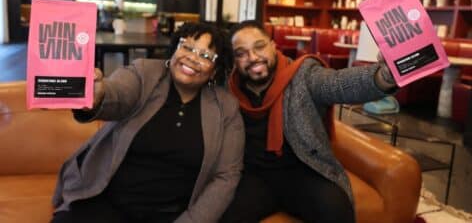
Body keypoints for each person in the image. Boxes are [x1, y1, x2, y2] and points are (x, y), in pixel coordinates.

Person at [51, 22, 245, 223]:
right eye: (187, 47)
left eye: (206, 56)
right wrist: (99, 95)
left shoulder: (226, 108)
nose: (193, 58)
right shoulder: (145, 73)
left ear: (215, 70)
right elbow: (119, 92)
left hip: (170, 215)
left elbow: (226, 176)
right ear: (175, 49)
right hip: (106, 201)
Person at [221, 20, 397, 223]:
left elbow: (338, 84)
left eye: (259, 47)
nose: (252, 58)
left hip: (302, 170)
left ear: (273, 45)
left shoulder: (303, 74)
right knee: (224, 213)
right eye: (241, 53)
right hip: (252, 175)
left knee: (335, 211)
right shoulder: (228, 86)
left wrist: (384, 76)